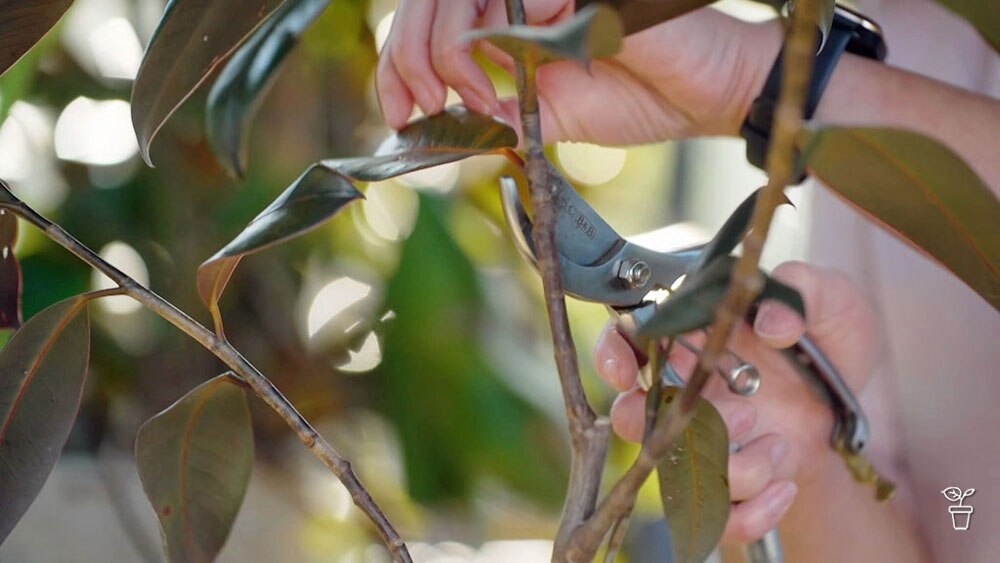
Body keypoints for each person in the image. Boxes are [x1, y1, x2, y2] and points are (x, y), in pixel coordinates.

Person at [376, 1, 1000, 561]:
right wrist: (804, 466)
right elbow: (952, 513)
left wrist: (763, 82)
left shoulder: (865, 119)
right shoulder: (914, 33)